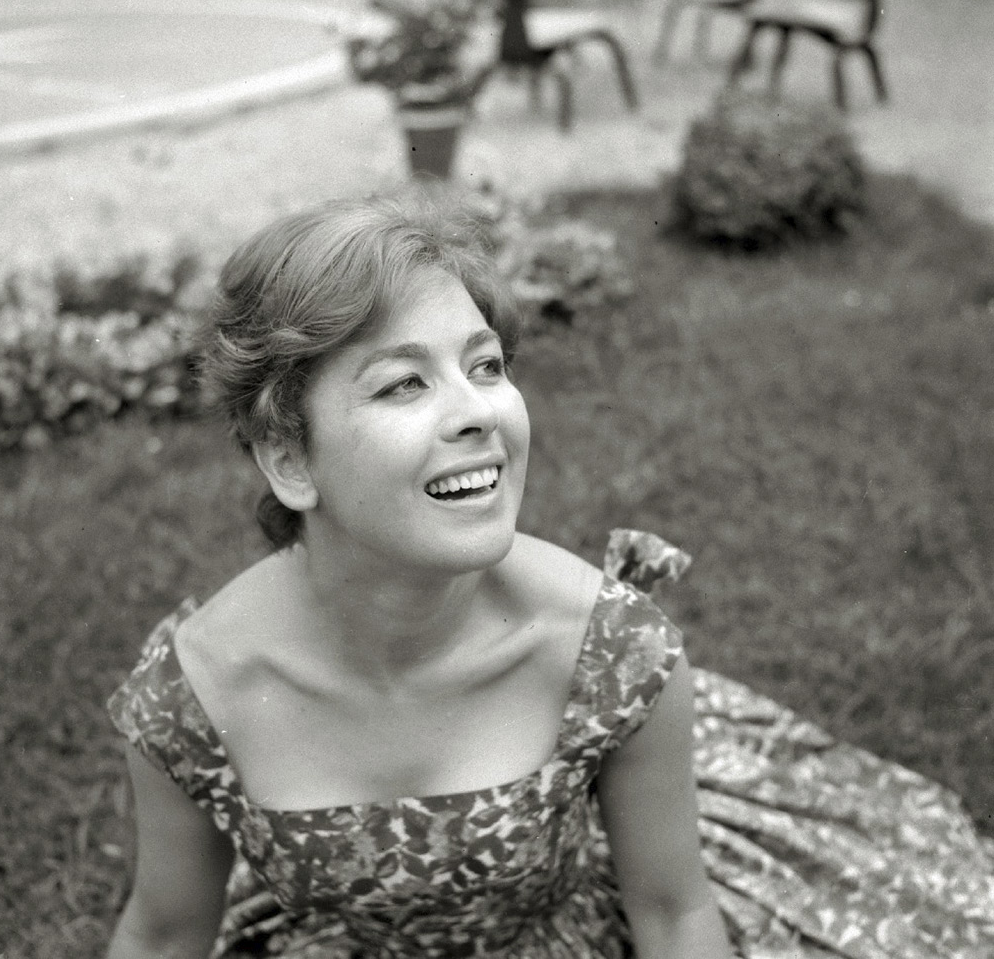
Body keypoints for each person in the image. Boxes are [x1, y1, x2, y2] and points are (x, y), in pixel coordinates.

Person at [106, 190, 994, 959]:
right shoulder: (198, 694)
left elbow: (673, 911)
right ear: (289, 459)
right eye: (403, 384)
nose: (478, 413)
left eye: (485, 366)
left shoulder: (610, 652)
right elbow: (165, 931)